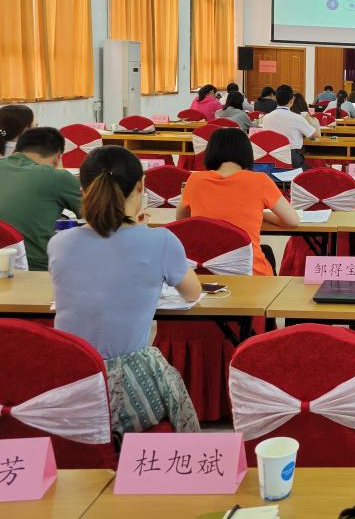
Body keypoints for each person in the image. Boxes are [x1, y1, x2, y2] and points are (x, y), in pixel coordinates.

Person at [49, 145, 202, 436]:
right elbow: (192, 293)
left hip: (67, 383)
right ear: (141, 185)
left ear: (82, 190)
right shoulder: (161, 241)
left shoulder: (59, 243)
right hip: (128, 387)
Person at [178, 127, 300, 276]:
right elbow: (292, 221)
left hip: (207, 271)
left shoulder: (195, 180)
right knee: (266, 252)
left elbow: (182, 221)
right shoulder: (260, 180)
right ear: (247, 152)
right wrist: (261, 214)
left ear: (210, 152)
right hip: (250, 272)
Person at [0, 127, 81, 271]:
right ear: (57, 158)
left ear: (15, 150)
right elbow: (99, 215)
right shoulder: (56, 177)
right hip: (35, 270)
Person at [262, 84, 320, 167]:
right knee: (310, 173)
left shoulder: (266, 118)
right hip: (292, 160)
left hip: (272, 160)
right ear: (291, 100)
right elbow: (316, 135)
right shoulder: (297, 118)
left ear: (275, 99)